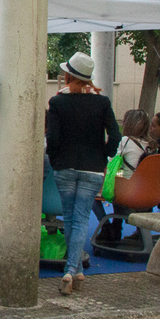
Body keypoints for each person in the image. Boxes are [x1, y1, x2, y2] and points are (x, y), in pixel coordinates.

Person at [47, 52, 121, 296]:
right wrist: (104, 155)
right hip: (92, 168)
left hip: (65, 167)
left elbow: (53, 138)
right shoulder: (102, 102)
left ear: (68, 75)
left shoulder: (57, 102)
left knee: (70, 218)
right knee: (79, 219)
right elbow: (116, 136)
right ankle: (75, 270)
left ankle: (71, 270)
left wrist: (56, 159)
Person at [97, 109, 155, 246]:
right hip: (149, 194)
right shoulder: (153, 145)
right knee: (121, 182)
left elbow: (113, 164)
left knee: (95, 192)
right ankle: (120, 228)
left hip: (129, 195)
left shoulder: (126, 141)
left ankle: (108, 227)